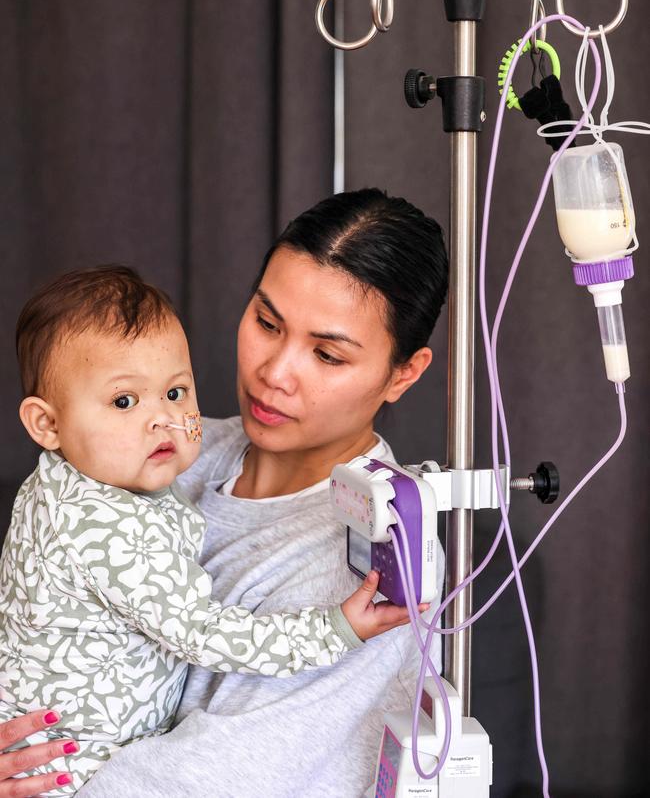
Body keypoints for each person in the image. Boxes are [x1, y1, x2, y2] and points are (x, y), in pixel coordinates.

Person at [1, 188, 449, 798]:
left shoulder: (371, 568)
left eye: (326, 354)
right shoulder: (168, 451)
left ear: (404, 372)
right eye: (266, 322)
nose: (274, 373)